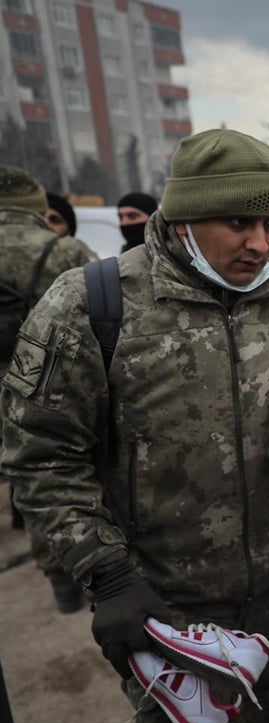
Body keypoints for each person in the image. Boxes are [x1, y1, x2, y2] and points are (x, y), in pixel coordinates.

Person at [1, 129, 269, 723]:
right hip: (171, 613)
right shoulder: (91, 305)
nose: (260, 243)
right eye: (238, 221)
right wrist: (108, 572)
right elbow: (41, 457)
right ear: (183, 217)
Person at [0, 166, 95, 613]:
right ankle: (70, 575)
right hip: (50, 389)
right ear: (39, 208)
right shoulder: (65, 251)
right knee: (52, 474)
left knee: (22, 479)